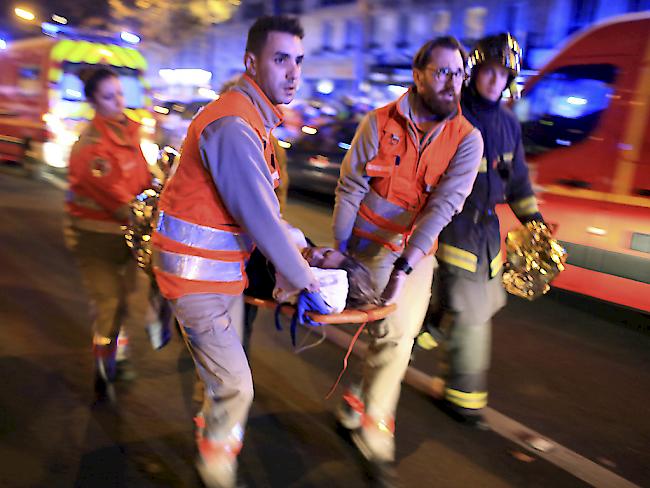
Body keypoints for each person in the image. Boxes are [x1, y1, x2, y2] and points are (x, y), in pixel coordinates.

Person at [150, 16, 331, 488]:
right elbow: (259, 218)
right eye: (280, 59)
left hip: (219, 275)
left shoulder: (253, 120)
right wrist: (304, 279)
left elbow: (263, 212)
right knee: (236, 386)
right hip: (196, 280)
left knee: (220, 379)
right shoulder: (234, 124)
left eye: (298, 60)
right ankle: (215, 466)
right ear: (251, 62)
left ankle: (211, 439)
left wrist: (303, 248)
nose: (293, 72)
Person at [333, 36, 483, 484]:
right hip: (362, 251)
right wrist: (339, 254)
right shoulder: (377, 123)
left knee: (398, 338)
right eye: (442, 72)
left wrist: (405, 267)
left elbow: (443, 206)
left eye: (458, 74)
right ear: (418, 75)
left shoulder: (467, 141)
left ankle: (375, 429)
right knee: (377, 334)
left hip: (411, 257)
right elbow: (350, 189)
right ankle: (358, 397)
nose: (452, 82)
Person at [422, 33, 543, 428]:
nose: (495, 80)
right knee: (471, 311)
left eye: (503, 73)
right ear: (474, 72)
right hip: (453, 228)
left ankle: (403, 346)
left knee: (472, 305)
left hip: (486, 234)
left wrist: (535, 223)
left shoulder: (508, 124)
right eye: (489, 71)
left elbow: (519, 181)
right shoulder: (453, 115)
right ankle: (465, 399)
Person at [64, 67, 157, 402]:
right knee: (110, 302)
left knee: (124, 298)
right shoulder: (91, 147)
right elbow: (114, 195)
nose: (119, 101)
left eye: (120, 93)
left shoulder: (130, 134)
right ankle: (104, 373)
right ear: (93, 101)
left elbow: (145, 179)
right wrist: (145, 210)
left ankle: (115, 350)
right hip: (95, 238)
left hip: (127, 238)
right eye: (108, 96)